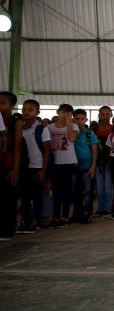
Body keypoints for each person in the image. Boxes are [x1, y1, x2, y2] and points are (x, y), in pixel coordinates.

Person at [18, 99, 50, 232]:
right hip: (23, 167)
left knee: (37, 195)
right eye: (24, 109)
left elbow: (47, 151)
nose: (26, 112)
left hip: (37, 166)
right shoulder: (19, 128)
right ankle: (26, 220)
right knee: (24, 195)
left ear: (37, 112)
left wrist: (43, 171)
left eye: (30, 110)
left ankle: (35, 220)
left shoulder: (42, 129)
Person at [0, 92, 22, 239]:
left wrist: (15, 169)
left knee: (8, 197)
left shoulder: (15, 121)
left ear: (11, 106)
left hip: (9, 162)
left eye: (3, 102)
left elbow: (18, 146)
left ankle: (9, 228)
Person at [71, 109, 98, 223]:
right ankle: (76, 213)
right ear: (73, 119)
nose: (79, 121)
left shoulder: (89, 133)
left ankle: (87, 213)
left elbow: (95, 151)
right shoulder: (71, 133)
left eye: (82, 119)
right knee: (76, 191)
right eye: (77, 118)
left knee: (88, 192)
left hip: (87, 167)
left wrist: (93, 167)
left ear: (86, 120)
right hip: (74, 168)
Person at [94, 106, 114, 217]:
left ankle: (107, 208)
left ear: (111, 115)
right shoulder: (94, 130)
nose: (105, 116)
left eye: (107, 114)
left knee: (108, 187)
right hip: (97, 161)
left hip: (110, 162)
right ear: (99, 115)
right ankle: (100, 208)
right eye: (102, 114)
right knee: (99, 187)